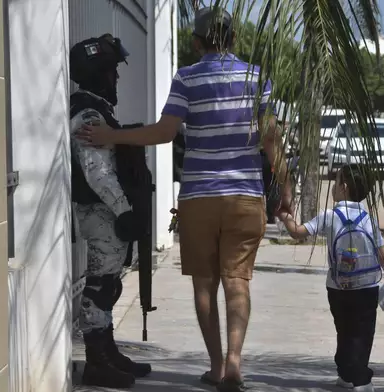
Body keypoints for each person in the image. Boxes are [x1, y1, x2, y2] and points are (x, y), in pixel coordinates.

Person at [76, 7, 293, 391]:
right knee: (238, 282)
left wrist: (112, 135)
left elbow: (164, 132)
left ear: (196, 43)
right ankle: (234, 364)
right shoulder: (258, 78)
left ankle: (214, 366)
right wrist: (286, 191)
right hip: (245, 197)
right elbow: (272, 139)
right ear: (234, 40)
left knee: (205, 284)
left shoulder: (187, 78)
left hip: (199, 198)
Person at [69, 33, 152, 388]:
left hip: (106, 215)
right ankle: (97, 361)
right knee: (100, 288)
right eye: (111, 71)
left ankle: (108, 351)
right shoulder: (87, 114)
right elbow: (97, 172)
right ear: (97, 73)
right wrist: (124, 211)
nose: (115, 78)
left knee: (109, 287)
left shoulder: (97, 109)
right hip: (101, 214)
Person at [277, 164, 384, 392]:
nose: (333, 186)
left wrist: (285, 216)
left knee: (344, 330)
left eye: (336, 181)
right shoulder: (369, 219)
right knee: (362, 333)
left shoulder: (329, 216)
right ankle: (360, 378)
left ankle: (348, 374)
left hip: (337, 288)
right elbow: (382, 253)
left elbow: (298, 232)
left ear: (343, 187)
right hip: (367, 287)